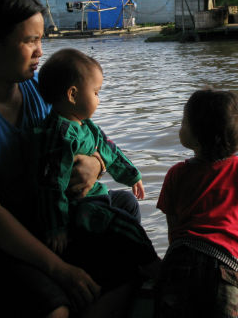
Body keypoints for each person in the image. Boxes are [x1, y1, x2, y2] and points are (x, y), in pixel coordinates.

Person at [0, 0, 132, 318]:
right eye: (31, 41)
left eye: (41, 39)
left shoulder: (34, 89)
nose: (41, 51)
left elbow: (86, 136)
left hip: (34, 213)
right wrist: (59, 269)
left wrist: (96, 165)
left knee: (123, 209)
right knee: (54, 307)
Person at [33, 48, 160, 287]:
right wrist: (56, 227)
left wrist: (132, 175)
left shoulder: (85, 125)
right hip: (76, 208)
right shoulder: (59, 135)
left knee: (128, 203)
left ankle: (126, 259)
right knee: (127, 226)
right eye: (96, 92)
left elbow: (108, 148)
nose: (99, 99)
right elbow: (50, 186)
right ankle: (152, 267)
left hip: (94, 199)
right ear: (73, 95)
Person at [155, 88, 238, 318]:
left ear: (197, 135)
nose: (180, 127)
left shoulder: (176, 174)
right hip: (229, 269)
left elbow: (174, 230)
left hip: (180, 264)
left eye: (183, 122)